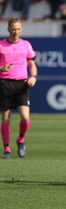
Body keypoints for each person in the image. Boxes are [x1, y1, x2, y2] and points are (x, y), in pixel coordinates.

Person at [0, 18, 37, 159]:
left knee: (25, 117)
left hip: (22, 84)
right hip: (5, 83)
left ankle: (20, 140)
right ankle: (7, 149)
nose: (16, 32)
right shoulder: (1, 45)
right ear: (8, 29)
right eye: (13, 29)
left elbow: (32, 64)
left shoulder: (26, 45)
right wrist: (1, 68)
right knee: (6, 117)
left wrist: (33, 76)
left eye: (18, 29)